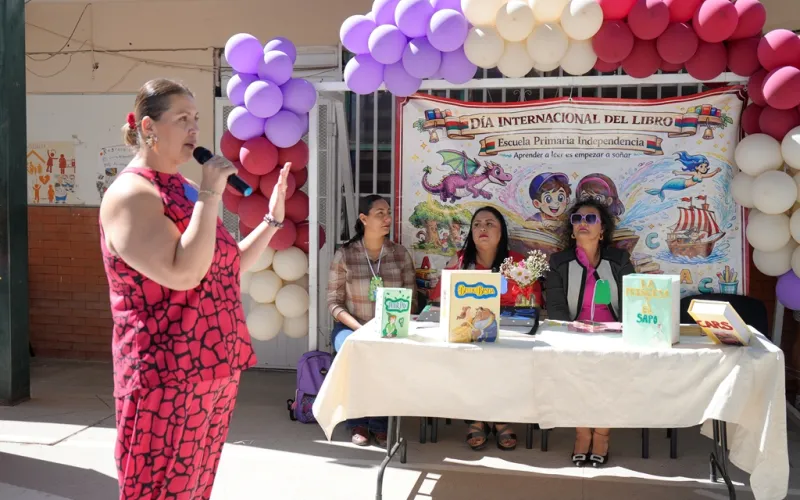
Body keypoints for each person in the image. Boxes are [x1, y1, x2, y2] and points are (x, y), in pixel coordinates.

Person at [99, 78, 291, 500]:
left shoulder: (186, 190)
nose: (194, 129)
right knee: (158, 490)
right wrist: (209, 192)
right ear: (148, 127)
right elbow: (183, 273)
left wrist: (272, 220)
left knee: (194, 488)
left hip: (212, 364)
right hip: (165, 372)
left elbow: (225, 266)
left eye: (196, 118)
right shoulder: (132, 195)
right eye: (182, 118)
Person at [431, 206, 542, 452]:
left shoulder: (518, 264)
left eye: (490, 224)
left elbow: (532, 302)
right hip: (468, 335)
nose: (483, 229)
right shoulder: (460, 262)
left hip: (509, 335)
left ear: (501, 232)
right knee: (472, 357)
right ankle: (481, 418)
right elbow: (439, 300)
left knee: (504, 357)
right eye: (477, 224)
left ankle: (496, 417)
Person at [544, 198, 635, 468]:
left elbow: (632, 301)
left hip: (615, 336)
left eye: (591, 218)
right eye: (577, 219)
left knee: (610, 376)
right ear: (572, 230)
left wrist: (620, 334)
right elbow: (556, 308)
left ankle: (602, 435)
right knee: (575, 376)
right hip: (575, 336)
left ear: (602, 229)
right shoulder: (559, 262)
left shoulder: (619, 260)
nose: (583, 223)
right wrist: (574, 337)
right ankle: (582, 433)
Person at [327, 194, 417, 447]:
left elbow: (411, 299)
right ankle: (358, 422)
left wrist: (392, 326)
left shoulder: (399, 254)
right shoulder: (345, 255)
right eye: (380, 214)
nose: (387, 218)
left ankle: (380, 423)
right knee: (354, 350)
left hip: (391, 327)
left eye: (388, 213)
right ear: (364, 219)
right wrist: (361, 328)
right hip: (352, 326)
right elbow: (333, 302)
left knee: (386, 357)